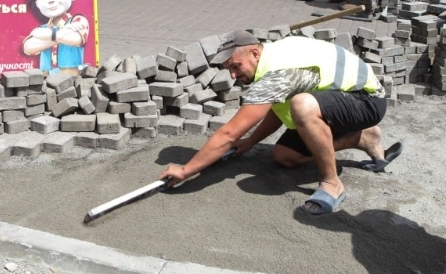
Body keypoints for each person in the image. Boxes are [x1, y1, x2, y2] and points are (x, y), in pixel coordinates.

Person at [158, 30, 403, 215]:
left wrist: (186, 170)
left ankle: (332, 183)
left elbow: (229, 133)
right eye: (228, 69)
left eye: (235, 66)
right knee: (285, 156)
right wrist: (251, 141)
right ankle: (362, 137)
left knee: (303, 106)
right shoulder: (273, 55)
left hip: (366, 100)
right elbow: (277, 109)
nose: (232, 75)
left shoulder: (276, 74)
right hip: (341, 100)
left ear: (254, 53)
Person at [22, 0, 90, 75]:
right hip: (46, 80)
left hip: (70, 80)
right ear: (38, 4)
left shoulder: (78, 21)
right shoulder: (42, 28)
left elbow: (76, 39)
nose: (51, 1)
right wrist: (63, 33)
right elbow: (28, 46)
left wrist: (48, 36)